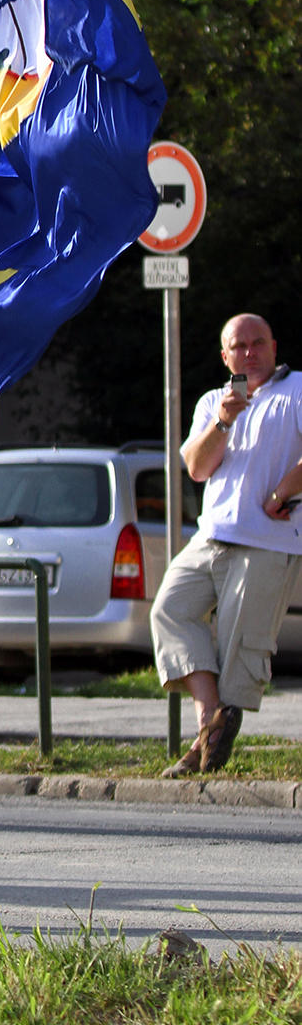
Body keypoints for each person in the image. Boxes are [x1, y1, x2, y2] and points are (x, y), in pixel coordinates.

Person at [153, 313, 302, 778]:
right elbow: (196, 468)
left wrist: (283, 491)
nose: (250, 352)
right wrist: (222, 421)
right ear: (225, 355)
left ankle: (206, 743)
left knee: (240, 648)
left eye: (259, 343)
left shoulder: (296, 389)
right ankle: (211, 718)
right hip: (211, 535)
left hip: (267, 539)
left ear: (275, 346)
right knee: (169, 610)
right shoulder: (214, 401)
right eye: (239, 346)